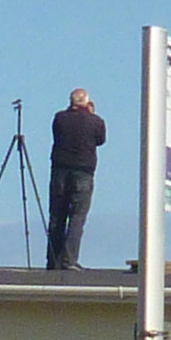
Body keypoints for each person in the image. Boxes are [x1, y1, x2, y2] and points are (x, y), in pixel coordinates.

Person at [46, 87, 105, 270]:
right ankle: (69, 260)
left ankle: (53, 259)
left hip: (60, 171)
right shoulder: (96, 121)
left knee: (57, 216)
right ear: (86, 102)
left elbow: (57, 133)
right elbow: (100, 140)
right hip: (84, 172)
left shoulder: (59, 118)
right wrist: (90, 114)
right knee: (77, 217)